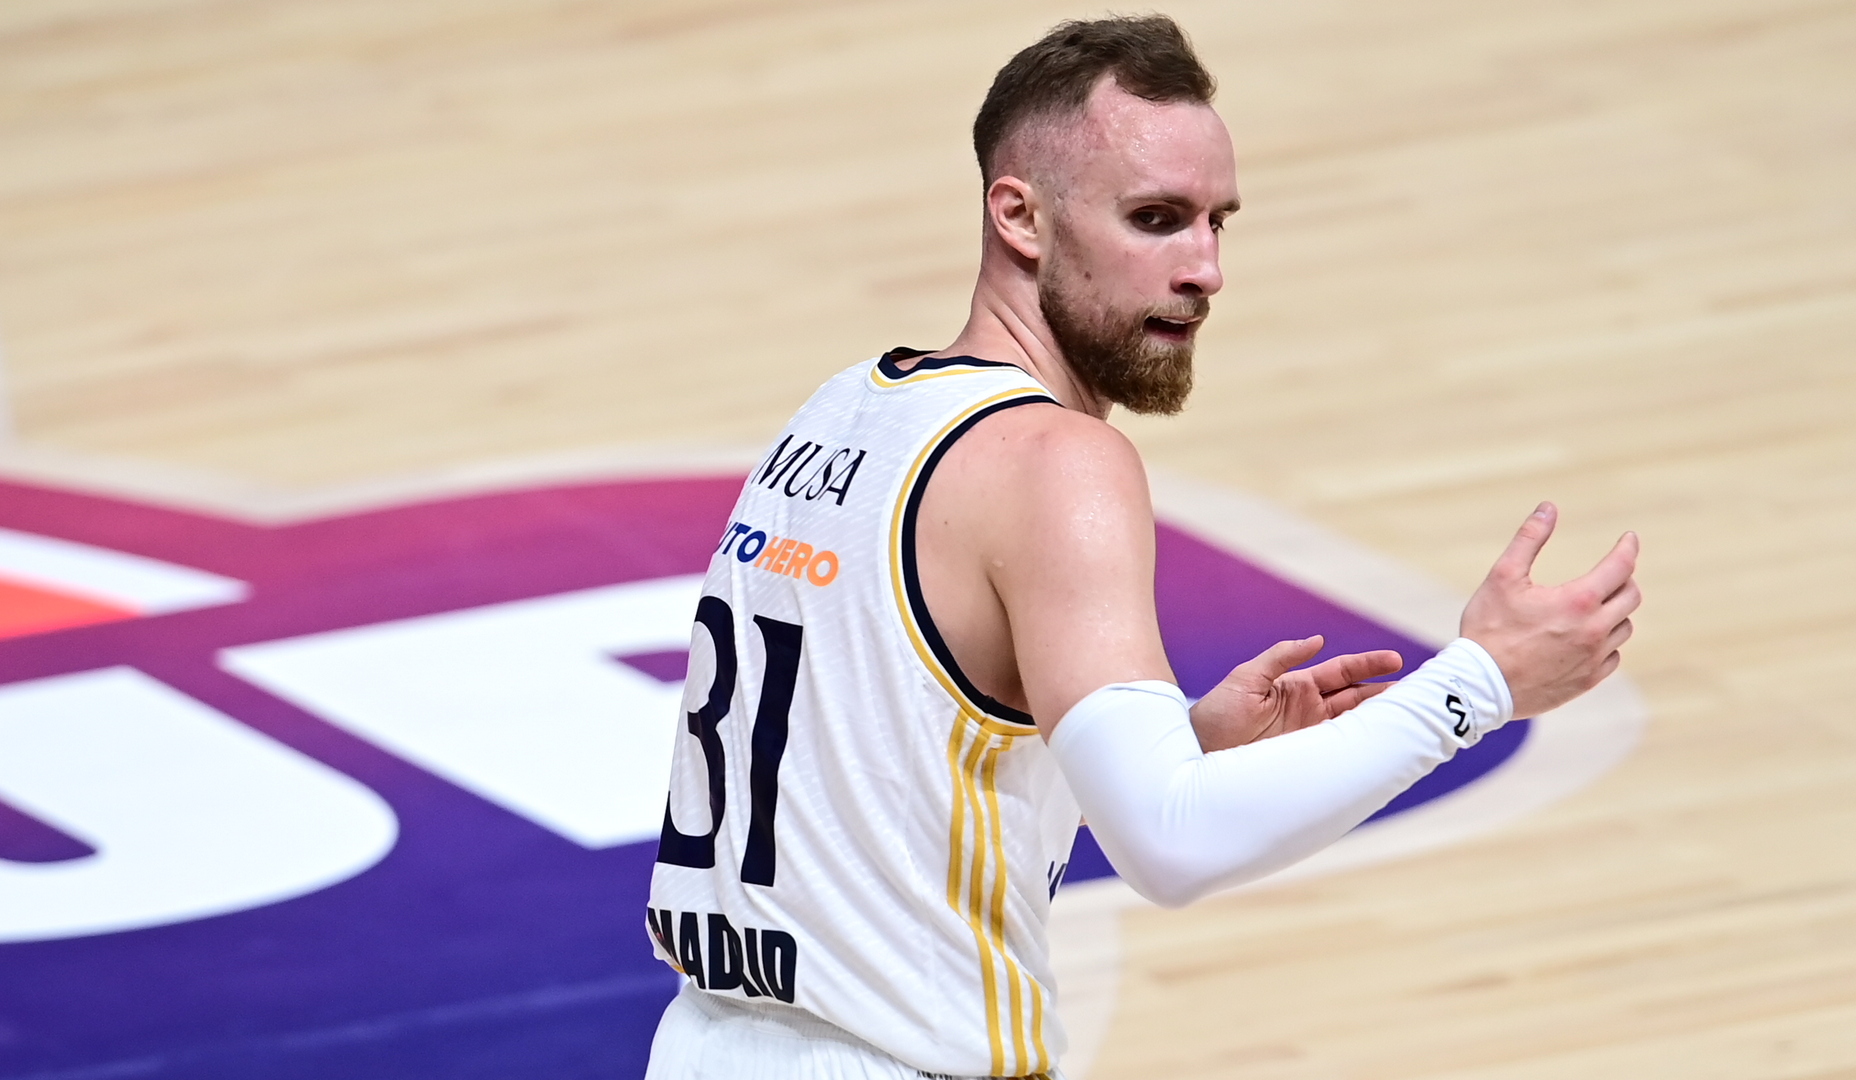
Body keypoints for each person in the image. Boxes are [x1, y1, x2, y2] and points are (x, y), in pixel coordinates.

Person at [643, 15, 1640, 1080]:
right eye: (1156, 220)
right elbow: (1172, 845)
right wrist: (1482, 683)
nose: (1205, 269)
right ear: (1020, 216)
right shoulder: (1057, 462)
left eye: (1218, 223)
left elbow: (882, 771)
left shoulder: (844, 412)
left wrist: (1180, 746)